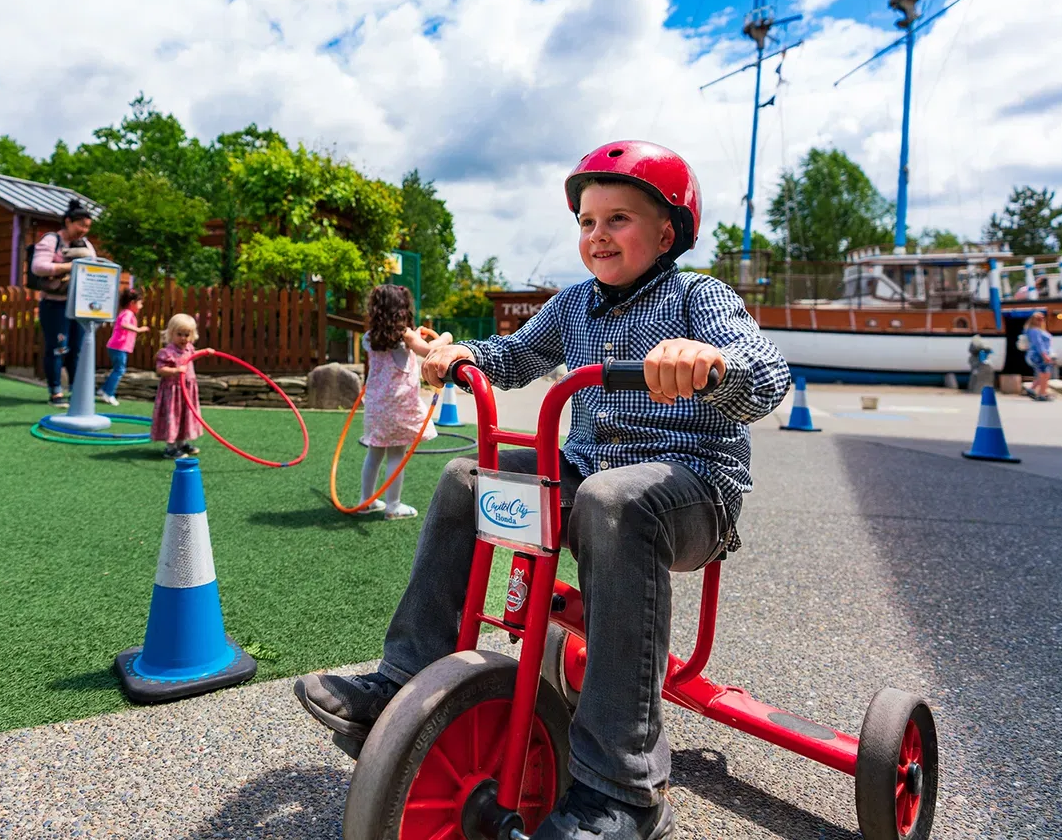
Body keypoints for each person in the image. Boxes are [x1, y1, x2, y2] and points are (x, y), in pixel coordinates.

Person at [294, 141, 790, 840]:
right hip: (589, 475)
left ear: (667, 232)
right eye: (586, 222)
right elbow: (517, 353)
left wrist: (710, 362)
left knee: (613, 500)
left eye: (618, 219)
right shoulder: (574, 304)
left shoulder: (698, 296)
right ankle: (403, 681)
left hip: (691, 490)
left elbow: (766, 373)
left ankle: (624, 788)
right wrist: (465, 353)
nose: (597, 235)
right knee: (470, 475)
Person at [360, 284, 449, 520]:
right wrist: (446, 337)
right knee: (397, 453)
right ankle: (393, 505)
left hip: (376, 405)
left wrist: (414, 336)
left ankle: (365, 500)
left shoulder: (368, 338)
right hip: (398, 405)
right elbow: (429, 349)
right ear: (401, 309)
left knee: (375, 452)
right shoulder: (405, 335)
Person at [31, 200, 98, 407]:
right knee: (58, 347)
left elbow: (94, 265)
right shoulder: (52, 240)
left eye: (87, 227)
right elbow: (38, 267)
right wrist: (70, 267)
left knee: (77, 350)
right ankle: (55, 392)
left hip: (79, 306)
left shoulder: (86, 244)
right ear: (68, 222)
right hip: (55, 304)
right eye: (80, 225)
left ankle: (77, 391)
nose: (83, 231)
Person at [151, 312, 203, 459]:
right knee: (173, 417)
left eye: (187, 334)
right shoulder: (167, 352)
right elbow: (160, 370)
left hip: (188, 390)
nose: (183, 338)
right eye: (179, 334)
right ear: (171, 333)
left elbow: (193, 355)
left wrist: (205, 352)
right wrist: (176, 370)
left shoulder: (189, 348)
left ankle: (182, 443)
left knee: (185, 417)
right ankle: (171, 448)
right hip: (173, 392)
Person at [100, 287, 148, 405]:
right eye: (140, 303)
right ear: (132, 303)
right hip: (118, 347)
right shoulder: (128, 313)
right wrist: (138, 329)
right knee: (119, 370)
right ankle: (108, 394)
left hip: (116, 347)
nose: (141, 306)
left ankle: (103, 390)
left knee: (117, 369)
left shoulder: (126, 313)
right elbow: (123, 324)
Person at [1024, 310, 1056, 401]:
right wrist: (1044, 355)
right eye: (1038, 319)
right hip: (1039, 355)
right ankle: (1042, 394)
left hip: (1043, 354)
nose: (1041, 320)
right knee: (1044, 374)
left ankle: (1035, 390)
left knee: (1045, 374)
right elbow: (1039, 344)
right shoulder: (1034, 331)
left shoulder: (1039, 330)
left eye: (1042, 318)